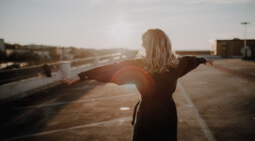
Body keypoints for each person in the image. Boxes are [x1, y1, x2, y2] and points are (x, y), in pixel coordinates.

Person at [62, 29, 213, 141]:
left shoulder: (138, 66)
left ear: (147, 45)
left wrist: (83, 75)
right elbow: (191, 61)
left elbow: (111, 69)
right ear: (166, 44)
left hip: (147, 116)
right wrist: (202, 60)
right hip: (168, 115)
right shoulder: (176, 64)